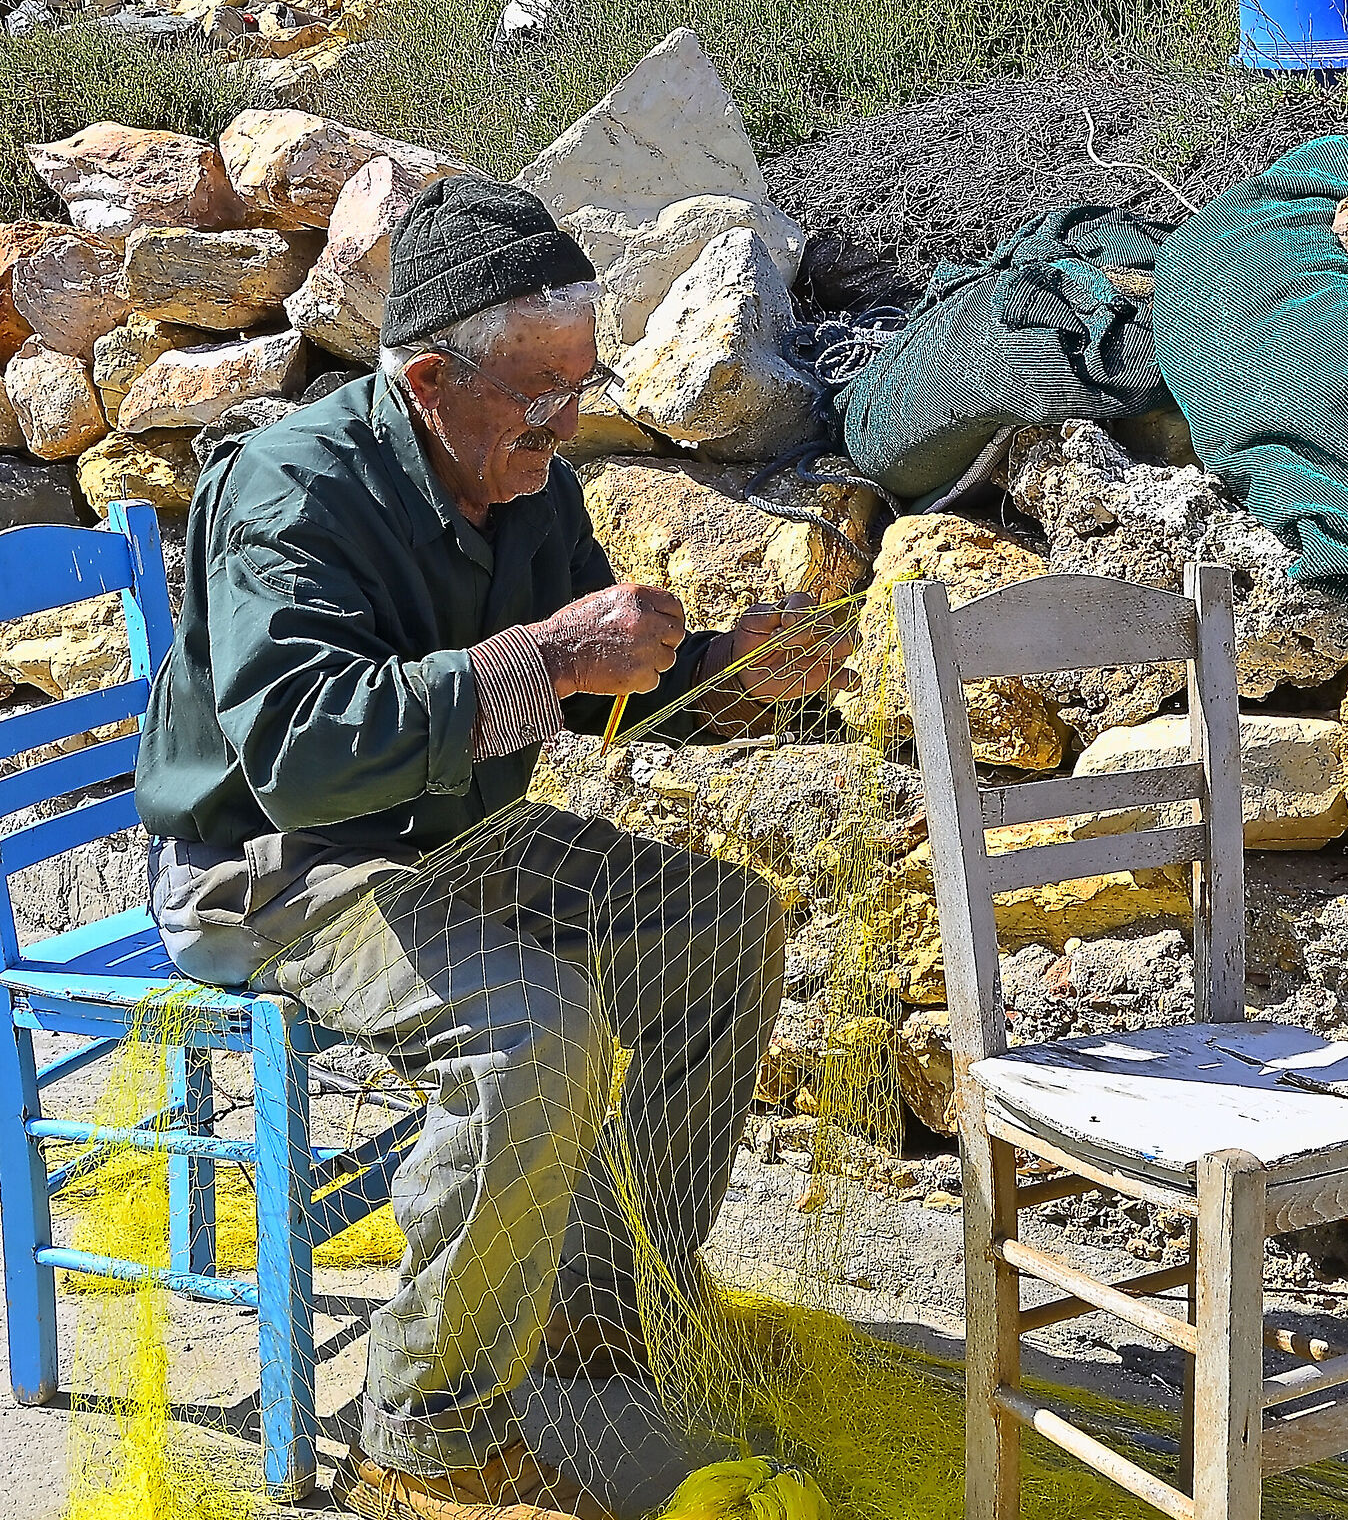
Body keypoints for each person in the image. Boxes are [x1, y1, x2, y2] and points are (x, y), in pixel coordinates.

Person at [135, 176, 846, 1520]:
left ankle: (596, 1304)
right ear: (423, 379)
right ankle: (425, 1433)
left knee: (721, 925)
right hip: (276, 861)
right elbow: (300, 750)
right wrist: (552, 656)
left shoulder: (523, 478)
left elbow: (594, 670)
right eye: (538, 396)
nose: (567, 423)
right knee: (533, 1024)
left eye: (580, 387)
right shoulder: (291, 493)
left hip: (452, 834)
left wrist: (725, 673)